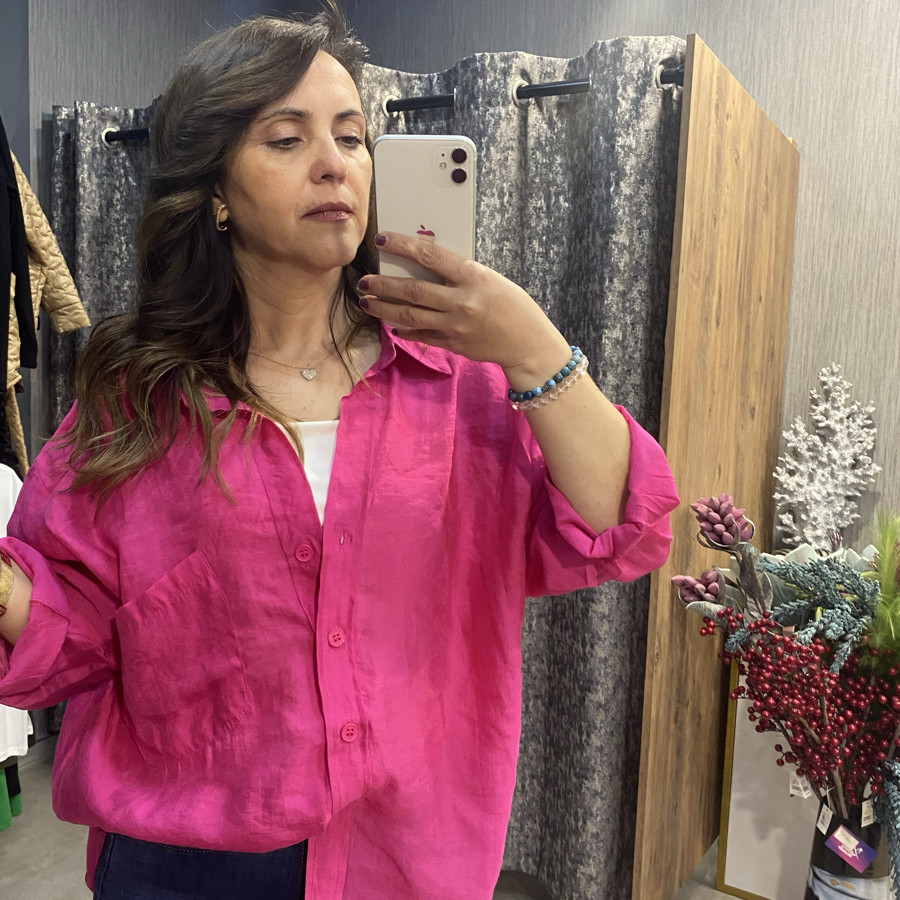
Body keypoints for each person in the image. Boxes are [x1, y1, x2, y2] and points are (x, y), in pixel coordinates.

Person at [0, 6, 679, 899]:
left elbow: (621, 526)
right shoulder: (138, 399)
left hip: (404, 857)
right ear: (215, 191)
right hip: (184, 860)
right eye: (287, 139)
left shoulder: (458, 384)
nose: (335, 164)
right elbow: (71, 620)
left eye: (352, 137)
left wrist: (533, 348)